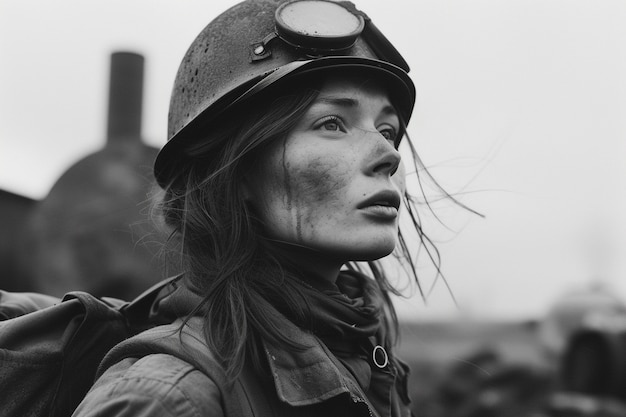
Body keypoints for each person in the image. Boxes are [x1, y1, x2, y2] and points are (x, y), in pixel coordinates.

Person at [73, 0, 438, 416]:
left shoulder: (366, 357)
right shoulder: (167, 400)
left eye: (387, 130)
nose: (388, 155)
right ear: (236, 172)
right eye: (332, 123)